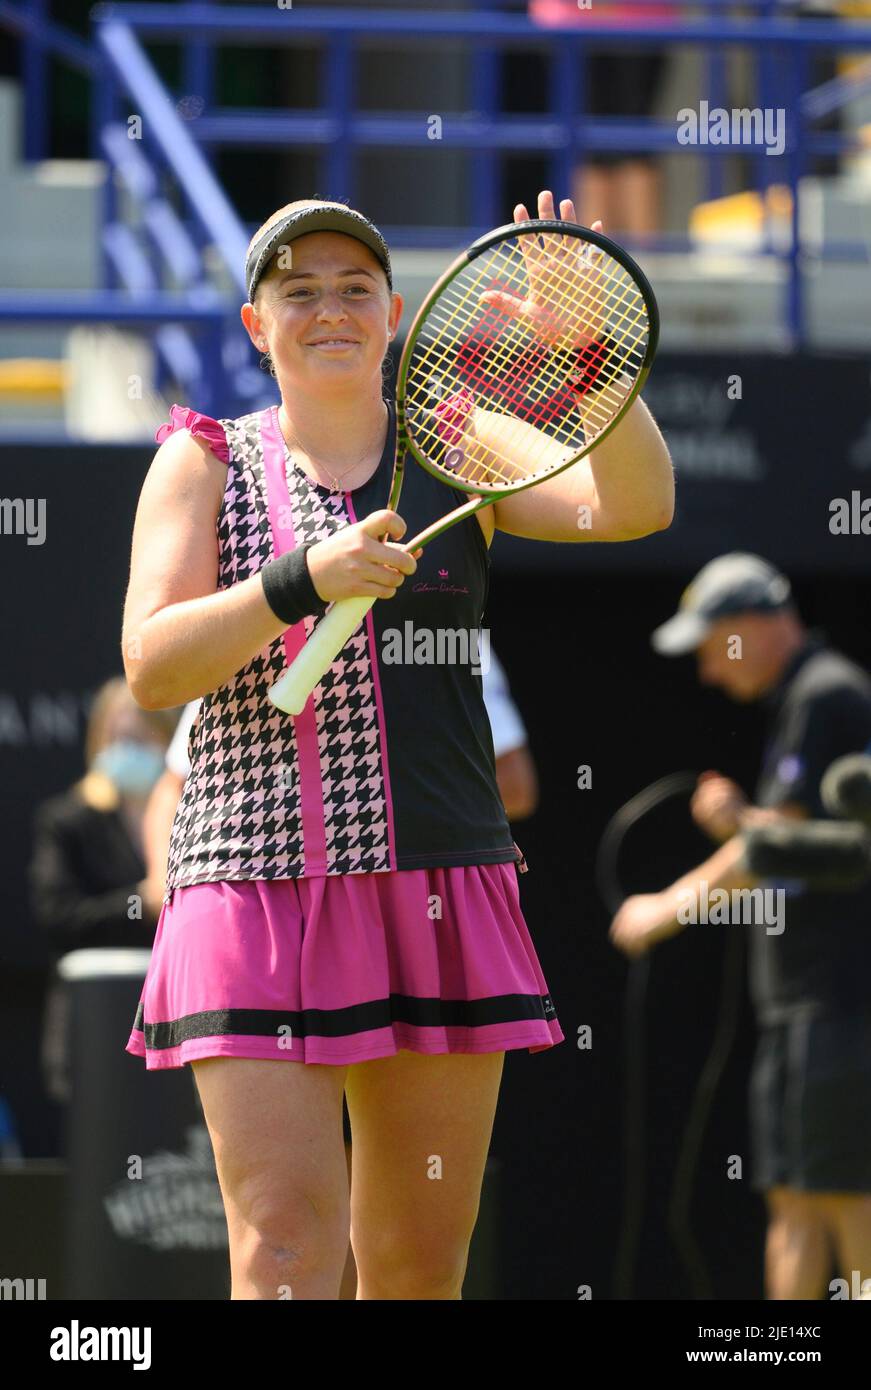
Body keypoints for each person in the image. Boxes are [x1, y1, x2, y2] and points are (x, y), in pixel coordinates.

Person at [122, 188, 673, 1301]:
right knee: (282, 1252)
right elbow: (152, 664)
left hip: (440, 879)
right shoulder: (202, 460)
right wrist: (296, 584)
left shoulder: (462, 444)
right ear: (254, 326)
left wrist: (591, 363)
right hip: (251, 885)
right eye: (299, 291)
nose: (329, 309)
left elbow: (635, 505)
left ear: (393, 312)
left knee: (419, 1265)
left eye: (354, 289)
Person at [610, 553, 871, 1300]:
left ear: (754, 623)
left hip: (842, 998)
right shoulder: (803, 700)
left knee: (844, 1191)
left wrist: (661, 911)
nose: (707, 672)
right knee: (790, 1194)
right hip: (799, 1002)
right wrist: (745, 822)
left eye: (711, 646)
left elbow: (769, 853)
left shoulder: (829, 695)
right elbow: (796, 838)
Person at [28, 678, 172, 1105]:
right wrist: (140, 902)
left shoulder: (190, 818)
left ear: (166, 741)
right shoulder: (67, 821)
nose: (126, 748)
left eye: (139, 737)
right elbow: (59, 917)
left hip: (175, 1020)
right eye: (117, 737)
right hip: (95, 1027)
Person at [528, 1, 675, 239]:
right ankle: (597, 263)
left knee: (632, 145)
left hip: (639, 24)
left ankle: (637, 265)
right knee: (592, 149)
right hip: (574, 24)